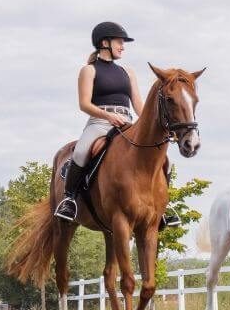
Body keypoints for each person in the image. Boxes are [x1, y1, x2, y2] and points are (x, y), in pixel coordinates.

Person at [54, 22, 181, 227]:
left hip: (126, 124)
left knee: (165, 159)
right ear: (105, 43)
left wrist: (155, 125)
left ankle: (164, 207)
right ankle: (69, 200)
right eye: (119, 42)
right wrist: (108, 116)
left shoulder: (127, 72)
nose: (123, 46)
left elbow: (139, 105)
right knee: (80, 152)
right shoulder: (89, 70)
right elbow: (84, 104)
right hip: (99, 123)